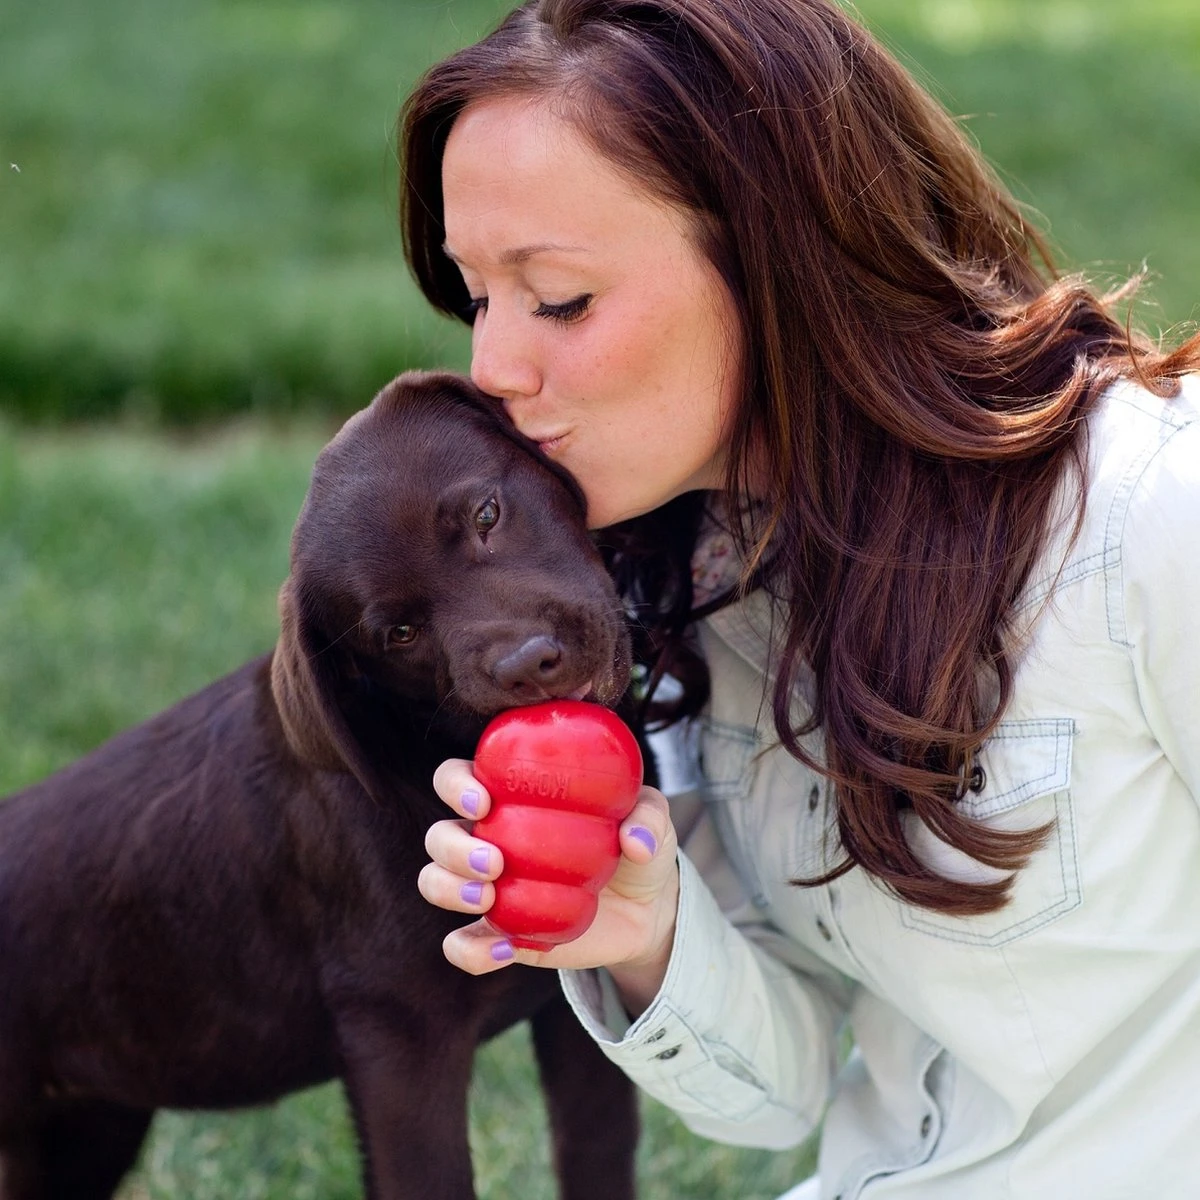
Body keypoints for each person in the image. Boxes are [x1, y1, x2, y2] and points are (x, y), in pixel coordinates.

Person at [400, 1, 1200, 1195]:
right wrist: (643, 929)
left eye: (558, 298)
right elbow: (786, 1096)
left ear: (781, 258)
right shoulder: (686, 579)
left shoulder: (1146, 510)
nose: (493, 370)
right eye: (476, 297)